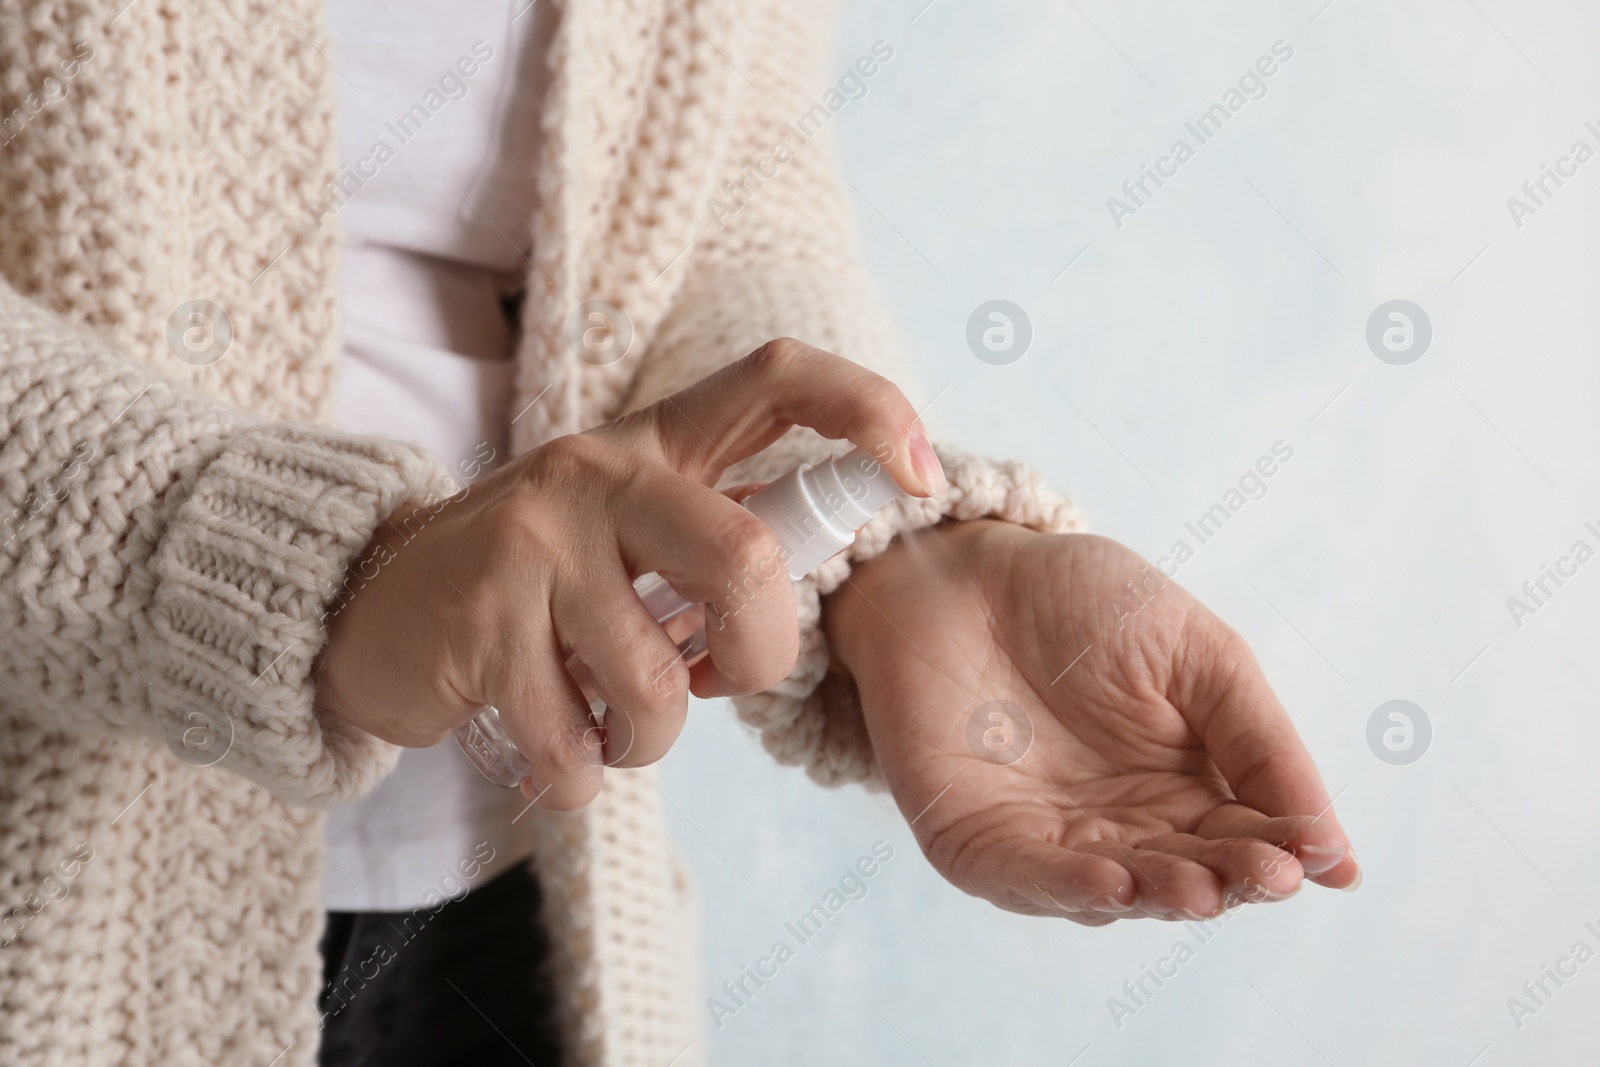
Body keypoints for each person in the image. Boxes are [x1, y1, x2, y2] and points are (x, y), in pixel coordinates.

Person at [0, 1, 1360, 1065]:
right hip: (46, 893)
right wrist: (321, 588)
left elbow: (726, 192)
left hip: (520, 893)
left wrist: (893, 553)